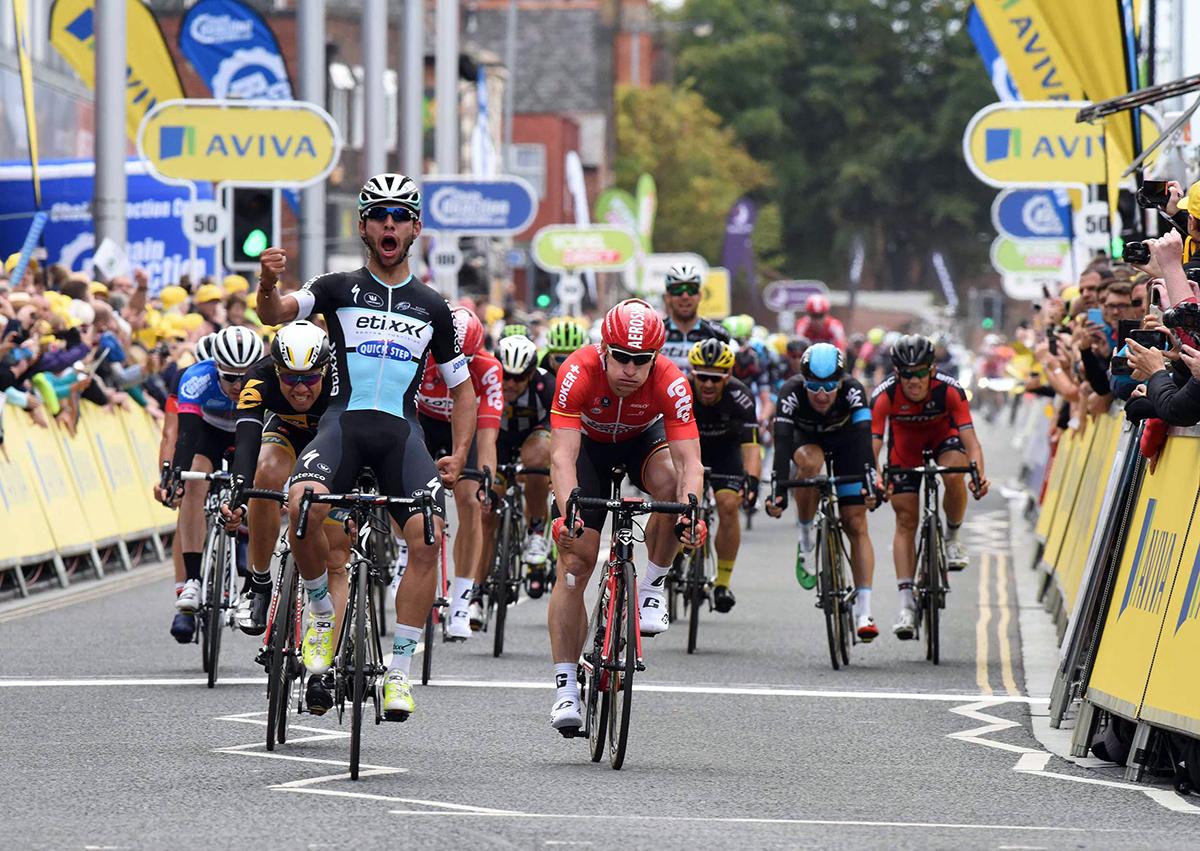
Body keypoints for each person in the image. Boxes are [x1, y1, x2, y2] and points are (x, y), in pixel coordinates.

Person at [254, 172, 475, 721]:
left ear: (416, 228)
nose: (390, 223)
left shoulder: (433, 306)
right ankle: (322, 612)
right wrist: (265, 281)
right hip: (343, 426)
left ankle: (399, 671)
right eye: (380, 215)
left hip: (401, 435)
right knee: (302, 504)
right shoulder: (335, 286)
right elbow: (275, 314)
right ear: (363, 227)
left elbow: (463, 391)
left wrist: (462, 454)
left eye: (400, 215)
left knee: (428, 536)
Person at [546, 298, 705, 732]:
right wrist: (567, 516)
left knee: (672, 487)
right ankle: (565, 688)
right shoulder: (577, 371)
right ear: (603, 349)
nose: (630, 370)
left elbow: (691, 463)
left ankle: (652, 584)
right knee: (576, 562)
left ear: (656, 357)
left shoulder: (671, 382)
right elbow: (561, 457)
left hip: (641, 441)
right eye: (621, 358)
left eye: (641, 361)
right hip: (588, 449)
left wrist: (691, 514)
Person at [219, 320, 350, 715]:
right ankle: (258, 583)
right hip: (287, 436)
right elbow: (245, 439)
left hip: (336, 442)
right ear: (275, 369)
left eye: (310, 378)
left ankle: (320, 670)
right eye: (290, 378)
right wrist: (238, 496)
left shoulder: (345, 380)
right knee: (266, 472)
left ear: (325, 369)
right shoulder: (258, 380)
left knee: (336, 558)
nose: (300, 388)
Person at [870, 334, 989, 640]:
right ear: (897, 373)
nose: (914, 380)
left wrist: (978, 474)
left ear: (932, 370)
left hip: (943, 440)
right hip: (904, 450)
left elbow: (971, 442)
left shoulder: (950, 390)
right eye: (907, 374)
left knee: (953, 472)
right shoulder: (884, 396)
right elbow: (872, 447)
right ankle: (907, 607)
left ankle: (951, 538)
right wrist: (874, 478)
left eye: (921, 372)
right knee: (906, 520)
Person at [765, 343, 880, 640]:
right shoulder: (790, 391)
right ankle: (806, 541)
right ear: (804, 381)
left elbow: (865, 440)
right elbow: (781, 443)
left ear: (840, 381)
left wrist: (871, 482)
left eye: (829, 386)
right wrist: (777, 491)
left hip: (846, 444)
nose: (821, 394)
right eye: (814, 386)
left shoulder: (853, 390)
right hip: (806, 441)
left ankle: (864, 611)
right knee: (811, 463)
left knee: (855, 523)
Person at [156, 326, 263, 642]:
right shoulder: (196, 377)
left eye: (244, 378)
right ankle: (191, 580)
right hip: (209, 433)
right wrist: (175, 476)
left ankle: (251, 569)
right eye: (229, 378)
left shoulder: (267, 379)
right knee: (193, 481)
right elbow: (184, 437)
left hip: (249, 430)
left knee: (259, 485)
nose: (237, 385)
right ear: (216, 368)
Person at [416, 305, 503, 636]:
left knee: (472, 500)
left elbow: (488, 435)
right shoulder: (421, 358)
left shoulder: (488, 369)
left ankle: (463, 600)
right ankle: (402, 554)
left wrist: (486, 482)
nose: (457, 368)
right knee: (407, 488)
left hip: (465, 428)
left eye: (465, 360)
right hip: (423, 422)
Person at [686, 339, 761, 612]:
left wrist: (751, 480)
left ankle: (722, 583)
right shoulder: (681, 391)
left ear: (728, 376)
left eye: (715, 379)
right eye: (702, 377)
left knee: (729, 506)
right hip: (688, 450)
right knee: (675, 499)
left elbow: (751, 445)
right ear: (693, 373)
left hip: (725, 453)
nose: (707, 385)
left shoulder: (740, 397)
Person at [490, 334, 555, 596]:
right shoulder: (487, 381)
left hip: (534, 434)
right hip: (499, 438)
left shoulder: (546, 385)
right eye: (505, 375)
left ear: (531, 374)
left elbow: (561, 428)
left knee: (537, 461)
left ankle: (536, 532)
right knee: (488, 497)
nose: (510, 383)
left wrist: (555, 468)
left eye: (518, 378)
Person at [658, 263, 730, 373]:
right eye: (678, 290)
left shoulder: (718, 334)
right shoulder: (657, 333)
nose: (685, 296)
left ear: (700, 295)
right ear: (667, 297)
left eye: (691, 289)